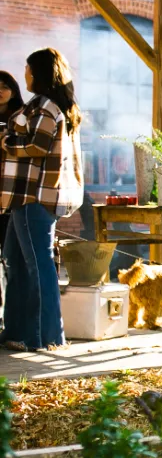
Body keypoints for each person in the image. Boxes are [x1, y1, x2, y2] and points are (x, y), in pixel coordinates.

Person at [0, 49, 84, 352]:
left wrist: (6, 142)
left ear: (39, 73)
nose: (24, 73)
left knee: (39, 266)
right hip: (22, 197)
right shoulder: (43, 105)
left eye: (27, 68)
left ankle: (49, 337)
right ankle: (18, 333)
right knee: (17, 264)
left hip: (32, 197)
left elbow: (38, 145)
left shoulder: (45, 106)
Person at [0, 72, 25, 312]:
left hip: (11, 194)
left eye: (5, 86)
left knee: (10, 257)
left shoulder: (21, 118)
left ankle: (13, 312)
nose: (0, 90)